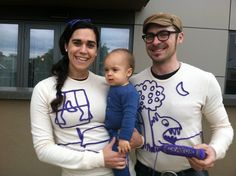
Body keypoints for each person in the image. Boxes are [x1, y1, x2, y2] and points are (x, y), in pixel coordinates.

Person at [30, 19, 142, 176]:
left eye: (90, 45)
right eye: (77, 43)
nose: (83, 50)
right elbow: (43, 149)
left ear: (96, 51)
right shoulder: (44, 89)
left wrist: (139, 140)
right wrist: (99, 159)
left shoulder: (109, 85)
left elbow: (131, 119)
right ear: (66, 46)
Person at [130, 12, 234, 176]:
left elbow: (223, 127)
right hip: (144, 172)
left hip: (192, 172)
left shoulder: (203, 80)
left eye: (164, 34)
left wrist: (214, 150)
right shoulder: (134, 84)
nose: (156, 41)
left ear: (180, 37)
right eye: (150, 36)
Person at [104, 48, 140, 176]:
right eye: (106, 70)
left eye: (114, 70)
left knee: (117, 158)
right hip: (115, 130)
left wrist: (124, 138)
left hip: (125, 131)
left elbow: (129, 116)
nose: (109, 73)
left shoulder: (129, 92)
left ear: (128, 72)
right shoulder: (114, 87)